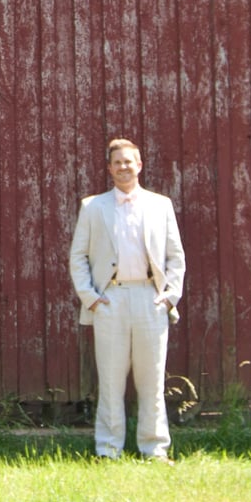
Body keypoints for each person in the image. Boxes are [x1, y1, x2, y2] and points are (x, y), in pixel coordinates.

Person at [69, 137, 185, 460]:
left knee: (152, 381)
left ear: (140, 165)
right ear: (110, 168)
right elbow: (78, 256)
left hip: (150, 299)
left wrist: (169, 297)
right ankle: (108, 449)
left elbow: (176, 257)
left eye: (128, 161)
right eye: (117, 162)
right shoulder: (93, 207)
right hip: (111, 300)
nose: (123, 167)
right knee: (110, 380)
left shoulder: (160, 205)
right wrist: (91, 298)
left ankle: (155, 449)